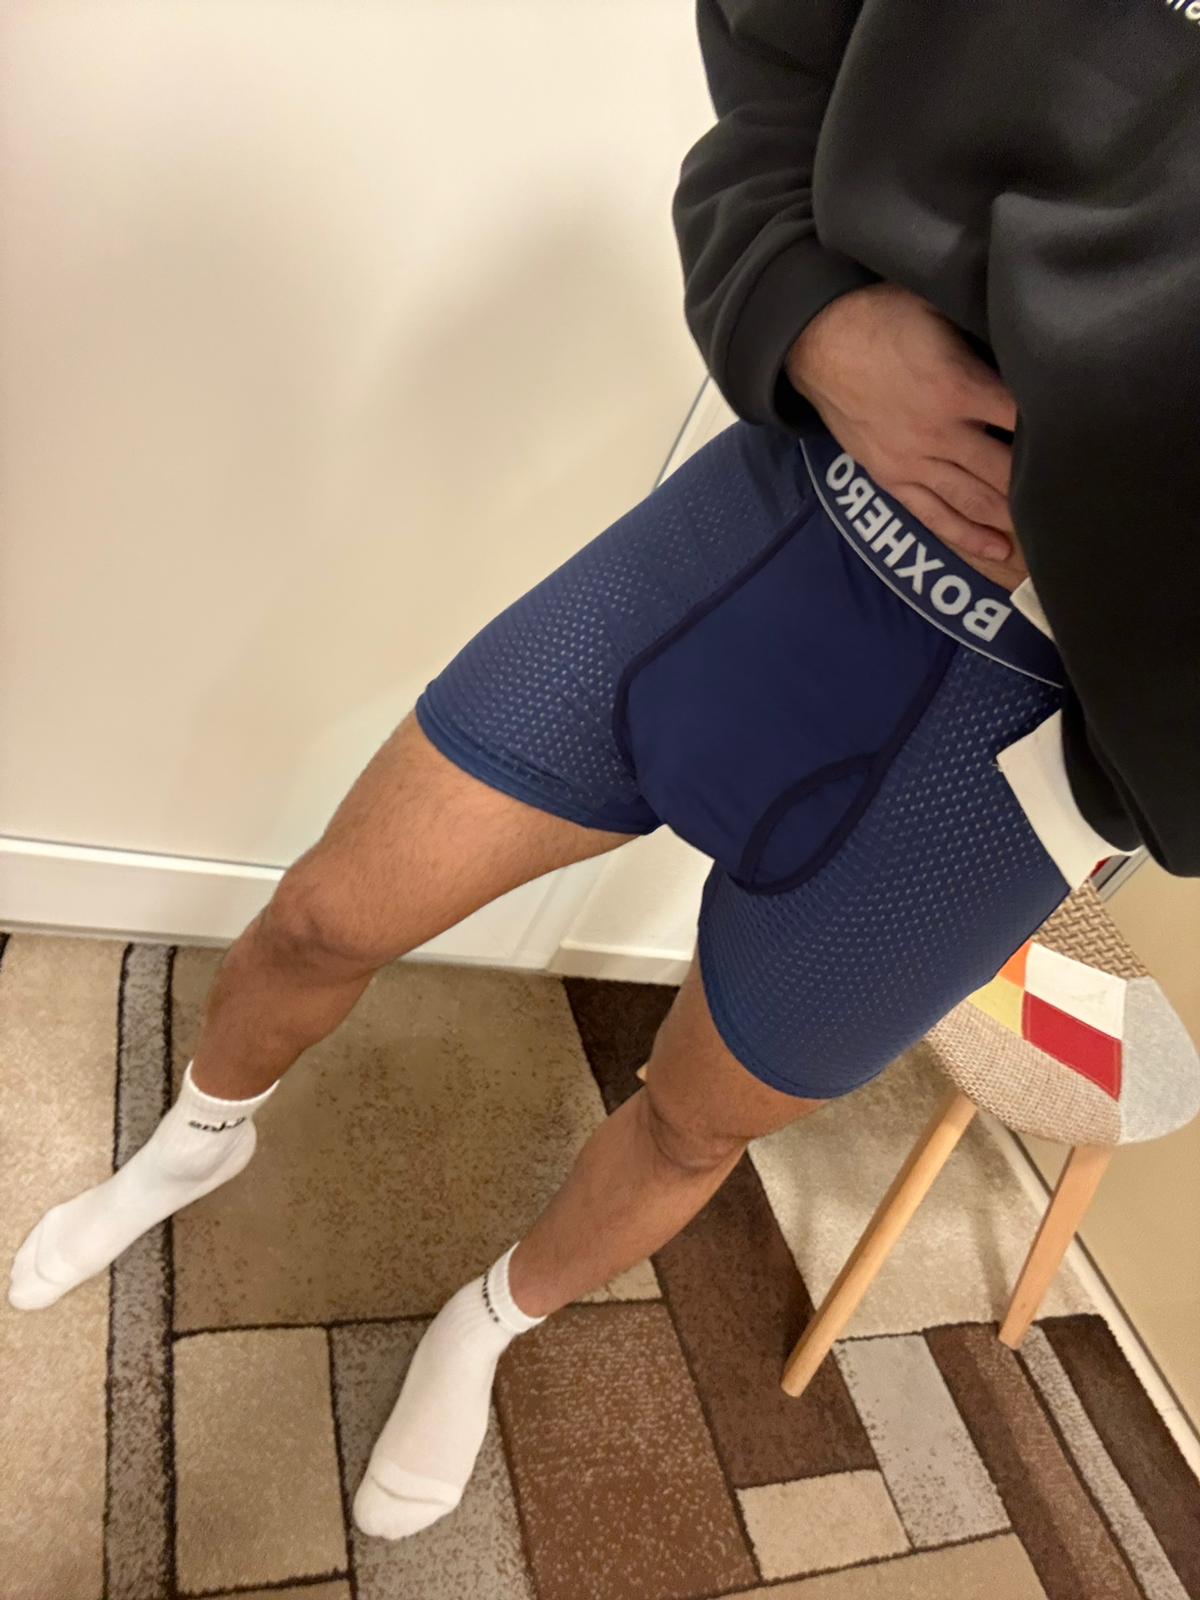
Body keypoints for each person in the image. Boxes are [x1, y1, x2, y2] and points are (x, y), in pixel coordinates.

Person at [10, 0, 1198, 1544]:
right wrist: (804, 311)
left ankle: (489, 1321)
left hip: (1018, 767)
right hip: (784, 528)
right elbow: (780, 50)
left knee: (694, 1124)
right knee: (324, 914)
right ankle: (193, 1143)